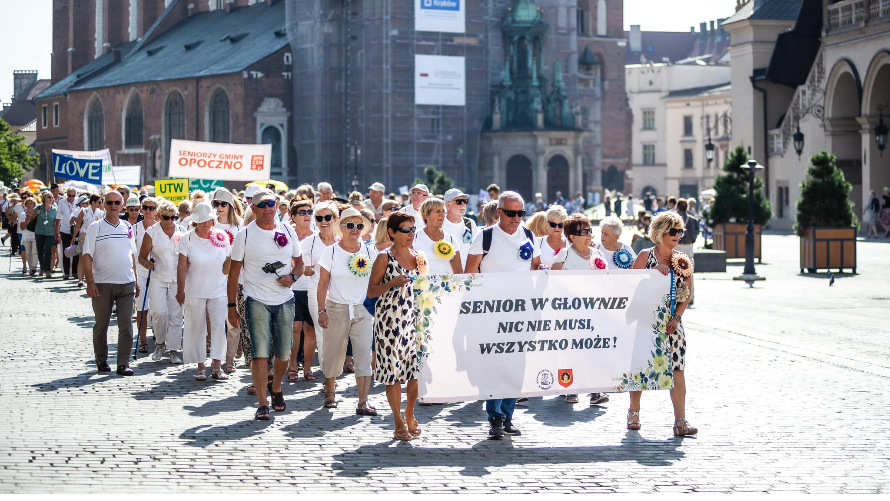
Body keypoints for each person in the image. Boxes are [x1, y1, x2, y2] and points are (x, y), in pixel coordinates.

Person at [465, 191, 542, 439]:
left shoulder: (529, 235)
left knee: (516, 365)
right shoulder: (485, 237)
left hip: (521, 312)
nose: (516, 218)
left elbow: (535, 265)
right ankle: (494, 415)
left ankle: (508, 415)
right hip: (492, 312)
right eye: (511, 213)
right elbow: (469, 274)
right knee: (494, 365)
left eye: (521, 213)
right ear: (499, 212)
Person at [228, 189, 305, 420]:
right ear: (253, 208)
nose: (267, 208)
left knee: (283, 353)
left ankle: (277, 387)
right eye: (261, 205)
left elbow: (299, 264)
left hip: (284, 299)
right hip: (255, 299)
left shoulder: (288, 230)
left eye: (271, 204)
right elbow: (233, 274)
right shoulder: (245, 234)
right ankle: (262, 402)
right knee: (260, 353)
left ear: (277, 205)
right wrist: (232, 306)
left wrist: (292, 278)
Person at [629, 211, 698, 436]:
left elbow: (686, 293)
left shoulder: (682, 260)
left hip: (672, 324)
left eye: (679, 231)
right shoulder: (644, 255)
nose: (677, 235)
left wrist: (677, 317)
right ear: (659, 233)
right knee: (640, 367)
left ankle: (680, 421)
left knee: (677, 369)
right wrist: (651, 274)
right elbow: (628, 285)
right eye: (673, 231)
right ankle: (634, 413)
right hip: (645, 321)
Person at [317, 207, 378, 415]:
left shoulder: (370, 251)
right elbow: (323, 283)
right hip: (336, 307)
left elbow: (377, 280)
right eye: (350, 225)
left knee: (363, 355)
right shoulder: (331, 251)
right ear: (341, 228)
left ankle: (363, 401)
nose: (355, 229)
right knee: (333, 352)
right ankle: (330, 393)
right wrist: (321, 310)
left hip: (363, 309)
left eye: (359, 226)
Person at [367, 212, 422, 441]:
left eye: (413, 229)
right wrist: (392, 283)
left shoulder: (419, 256)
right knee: (393, 373)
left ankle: (409, 411)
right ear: (392, 232)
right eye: (406, 230)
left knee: (415, 371)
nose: (411, 234)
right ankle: (397, 421)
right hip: (389, 321)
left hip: (414, 320)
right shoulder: (384, 257)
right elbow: (371, 291)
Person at [551, 214, 610, 404]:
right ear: (572, 237)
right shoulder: (564, 254)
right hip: (570, 312)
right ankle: (570, 389)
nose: (588, 235)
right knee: (571, 350)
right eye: (583, 231)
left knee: (594, 350)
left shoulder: (598, 254)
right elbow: (553, 281)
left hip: (594, 311)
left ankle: (595, 391)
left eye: (589, 230)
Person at [82, 190, 138, 376]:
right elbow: (87, 256)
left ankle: (123, 363)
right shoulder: (95, 227)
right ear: (103, 205)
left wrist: (135, 280)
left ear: (123, 205)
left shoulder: (127, 227)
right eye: (109, 202)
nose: (113, 206)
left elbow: (132, 256)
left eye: (117, 202)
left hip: (126, 283)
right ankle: (101, 360)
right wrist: (90, 283)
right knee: (101, 324)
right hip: (102, 283)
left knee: (126, 326)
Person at [177, 202, 231, 382]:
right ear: (195, 222)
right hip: (195, 290)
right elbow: (182, 266)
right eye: (201, 221)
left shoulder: (222, 236)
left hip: (218, 289)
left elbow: (228, 264)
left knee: (217, 326)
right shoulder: (187, 239)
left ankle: (217, 365)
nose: (206, 224)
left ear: (213, 220)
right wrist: (180, 289)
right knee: (197, 327)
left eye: (208, 220)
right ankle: (200, 366)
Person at [139, 200, 184, 364]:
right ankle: (159, 344)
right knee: (159, 312)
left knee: (176, 315)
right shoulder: (151, 232)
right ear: (158, 217)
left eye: (174, 217)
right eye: (166, 218)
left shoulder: (182, 231)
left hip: (177, 279)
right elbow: (141, 256)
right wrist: (147, 263)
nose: (170, 221)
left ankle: (174, 350)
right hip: (158, 277)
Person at [301, 202, 340, 375]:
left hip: (340, 293)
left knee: (338, 334)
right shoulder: (309, 242)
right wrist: (303, 269)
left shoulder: (343, 241)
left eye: (327, 217)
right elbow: (294, 261)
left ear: (336, 219)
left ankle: (334, 370)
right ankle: (328, 375)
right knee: (322, 332)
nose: (323, 221)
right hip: (316, 291)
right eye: (319, 218)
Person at [288, 199, 318, 382]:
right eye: (302, 212)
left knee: (310, 330)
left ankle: (307, 368)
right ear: (293, 217)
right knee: (295, 328)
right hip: (292, 289)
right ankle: (293, 366)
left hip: (312, 290)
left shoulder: (317, 236)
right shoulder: (287, 236)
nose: (307, 215)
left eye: (309, 212)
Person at [133, 197, 158, 352]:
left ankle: (159, 335)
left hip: (158, 274)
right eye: (145, 207)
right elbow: (131, 254)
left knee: (158, 309)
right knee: (142, 308)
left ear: (156, 211)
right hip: (140, 272)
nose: (148, 210)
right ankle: (142, 340)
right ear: (141, 210)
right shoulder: (134, 229)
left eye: (151, 207)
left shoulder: (162, 227)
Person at [414, 198, 462, 275]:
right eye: (437, 211)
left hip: (445, 285)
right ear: (426, 215)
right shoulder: (414, 238)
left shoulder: (450, 238)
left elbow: (458, 272)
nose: (442, 214)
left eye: (443, 211)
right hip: (421, 285)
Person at [71, 194, 105, 287]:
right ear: (93, 202)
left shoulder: (101, 213)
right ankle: (80, 280)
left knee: (94, 258)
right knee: (82, 257)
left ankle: (92, 279)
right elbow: (77, 225)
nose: (100, 204)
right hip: (84, 235)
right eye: (99, 202)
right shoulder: (84, 211)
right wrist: (74, 237)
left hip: (96, 236)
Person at [442, 188, 479, 270]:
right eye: (458, 202)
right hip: (445, 277)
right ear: (448, 205)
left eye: (465, 201)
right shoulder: (439, 224)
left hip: (467, 277)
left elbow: (477, 250)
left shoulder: (470, 224)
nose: (463, 205)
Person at [29, 192, 61, 278]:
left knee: (48, 250)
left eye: (52, 197)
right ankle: (42, 268)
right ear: (44, 199)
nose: (51, 199)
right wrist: (36, 214)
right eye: (49, 197)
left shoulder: (54, 210)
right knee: (40, 251)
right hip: (39, 232)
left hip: (50, 233)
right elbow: (31, 218)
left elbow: (56, 223)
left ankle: (47, 270)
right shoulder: (38, 207)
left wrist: (57, 233)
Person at [57, 188, 79, 279]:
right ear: (67, 195)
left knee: (76, 251)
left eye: (73, 196)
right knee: (66, 251)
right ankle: (66, 272)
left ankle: (74, 272)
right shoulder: (62, 202)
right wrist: (57, 232)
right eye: (69, 195)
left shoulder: (78, 202)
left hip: (76, 230)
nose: (71, 197)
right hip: (65, 229)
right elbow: (58, 217)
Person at [18, 197, 37, 275]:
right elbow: (22, 227)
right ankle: (30, 267)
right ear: (25, 205)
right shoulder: (23, 214)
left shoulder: (36, 214)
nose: (29, 205)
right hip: (26, 235)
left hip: (35, 235)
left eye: (31, 203)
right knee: (28, 253)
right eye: (28, 203)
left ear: (34, 205)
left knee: (35, 252)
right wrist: (26, 220)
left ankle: (34, 267)